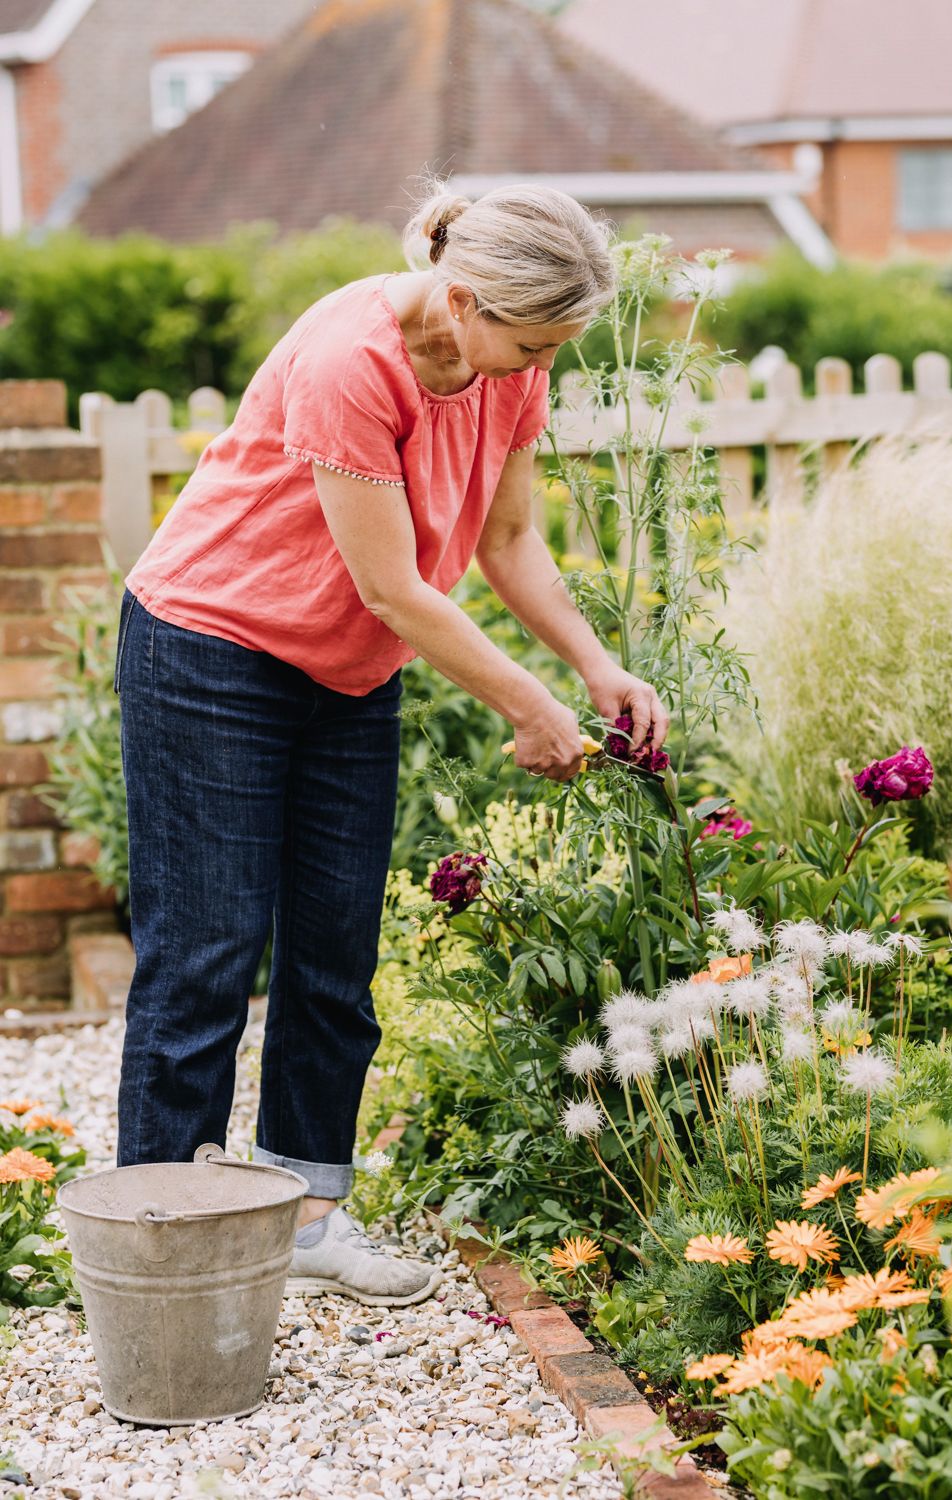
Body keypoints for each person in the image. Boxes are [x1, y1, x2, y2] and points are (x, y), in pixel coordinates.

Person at [113, 182, 668, 1307]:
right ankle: (160, 1241)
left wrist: (593, 666)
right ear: (461, 299)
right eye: (527, 341)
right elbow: (392, 583)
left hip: (348, 669)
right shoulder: (348, 358)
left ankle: (309, 1219)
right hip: (211, 647)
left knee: (335, 956)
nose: (532, 368)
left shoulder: (511, 356)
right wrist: (526, 706)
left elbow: (510, 540)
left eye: (551, 348)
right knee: (207, 954)